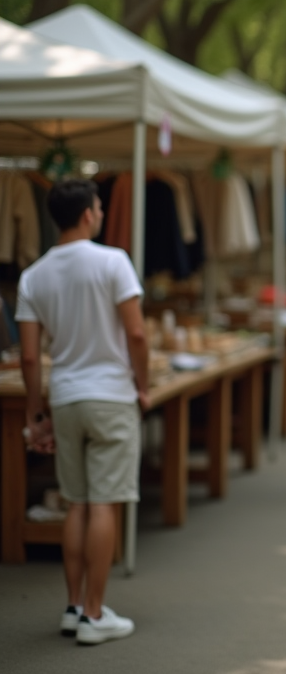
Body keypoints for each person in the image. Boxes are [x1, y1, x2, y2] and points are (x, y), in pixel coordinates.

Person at [16, 179, 148, 645]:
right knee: (105, 502)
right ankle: (95, 615)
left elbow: (29, 357)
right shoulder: (114, 262)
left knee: (76, 502)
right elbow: (136, 335)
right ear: (90, 214)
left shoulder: (33, 276)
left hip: (67, 395)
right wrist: (143, 384)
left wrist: (36, 412)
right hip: (111, 394)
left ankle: (74, 607)